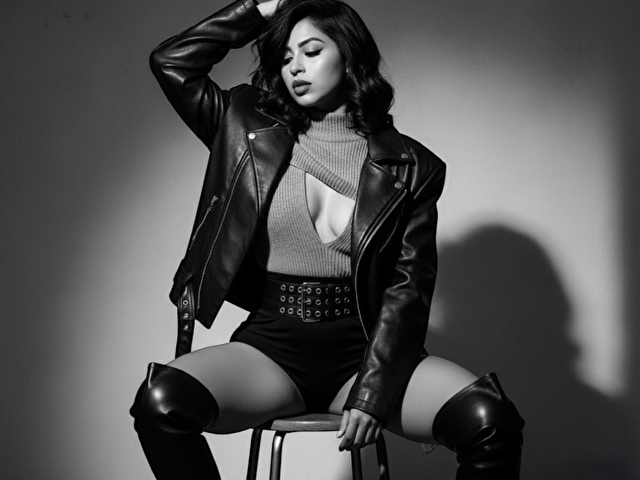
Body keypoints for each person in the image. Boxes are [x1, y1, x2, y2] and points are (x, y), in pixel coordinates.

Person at [130, 0, 525, 478]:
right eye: (285, 57)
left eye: (312, 51)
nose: (295, 67)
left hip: (365, 353)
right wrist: (258, 10)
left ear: (349, 55)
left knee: (490, 421)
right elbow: (172, 62)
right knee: (161, 402)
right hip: (270, 350)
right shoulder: (245, 128)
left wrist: (373, 393)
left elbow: (408, 289)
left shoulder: (413, 167)